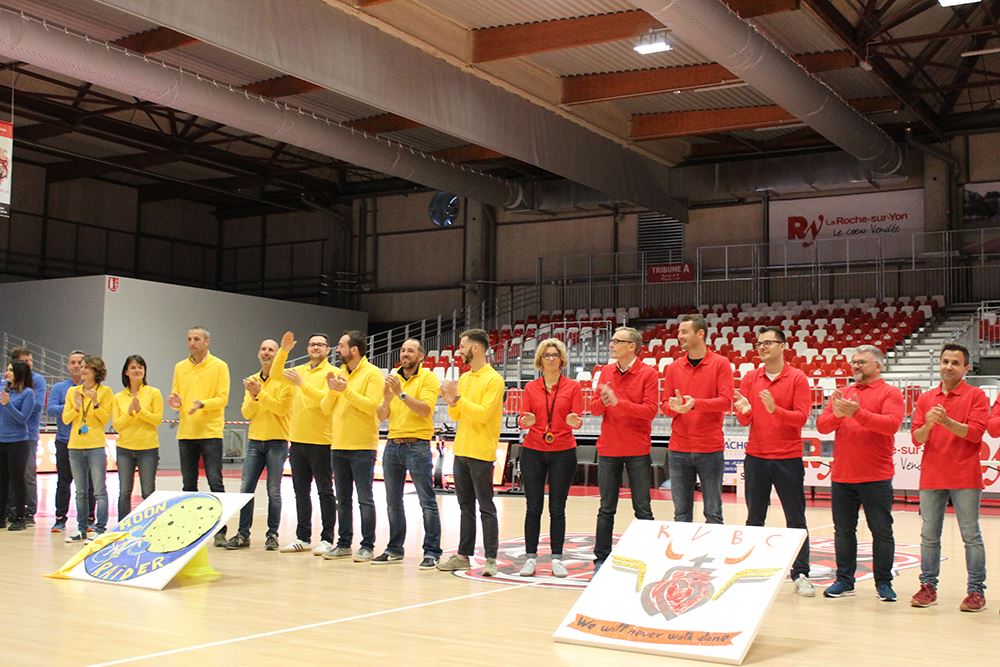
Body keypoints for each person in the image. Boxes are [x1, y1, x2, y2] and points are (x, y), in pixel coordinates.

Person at [816, 345, 903, 602]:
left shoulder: (890, 393)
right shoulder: (842, 393)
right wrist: (837, 415)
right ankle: (844, 580)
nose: (855, 365)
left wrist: (858, 413)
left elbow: (891, 425)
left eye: (862, 362)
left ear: (878, 365)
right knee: (843, 531)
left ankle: (883, 582)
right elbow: (822, 426)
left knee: (881, 531)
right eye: (854, 362)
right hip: (842, 476)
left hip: (876, 476)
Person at [733, 327, 814, 596]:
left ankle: (801, 573)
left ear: (783, 346)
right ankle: (750, 570)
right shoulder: (750, 378)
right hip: (756, 456)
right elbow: (744, 420)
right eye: (759, 343)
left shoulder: (797, 378)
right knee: (754, 518)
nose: (762, 347)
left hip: (787, 458)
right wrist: (745, 411)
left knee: (795, 518)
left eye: (768, 342)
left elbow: (800, 418)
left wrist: (774, 409)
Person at [910, 343, 989, 612]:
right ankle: (927, 587)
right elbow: (917, 438)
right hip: (932, 475)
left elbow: (975, 434)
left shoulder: (976, 395)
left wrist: (947, 422)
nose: (948, 366)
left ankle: (976, 591)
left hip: (965, 475)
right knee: (929, 536)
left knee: (971, 536)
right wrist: (930, 424)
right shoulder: (925, 398)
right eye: (945, 361)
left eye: (955, 363)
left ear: (966, 368)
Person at [436, 329, 505, 576]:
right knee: (465, 506)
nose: (459, 350)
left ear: (475, 348)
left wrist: (458, 399)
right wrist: (450, 400)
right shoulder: (464, 378)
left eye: (463, 346)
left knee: (486, 506)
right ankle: (463, 556)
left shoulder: (494, 379)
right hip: (462, 449)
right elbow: (456, 415)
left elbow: (484, 414)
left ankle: (490, 558)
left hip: (482, 451)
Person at [590, 326, 658, 571]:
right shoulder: (606, 371)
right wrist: (604, 401)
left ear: (632, 346)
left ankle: (647, 558)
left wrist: (619, 403)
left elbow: (650, 411)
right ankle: (601, 558)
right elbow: (594, 409)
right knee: (606, 508)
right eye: (612, 340)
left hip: (637, 449)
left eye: (617, 341)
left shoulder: (648, 374)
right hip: (609, 448)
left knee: (643, 508)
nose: (612, 344)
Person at [517, 338, 583, 579]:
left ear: (562, 359)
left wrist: (574, 422)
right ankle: (530, 557)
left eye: (555, 355)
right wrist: (525, 421)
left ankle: (556, 558)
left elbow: (577, 417)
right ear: (540, 360)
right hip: (533, 450)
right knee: (533, 507)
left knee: (557, 508)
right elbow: (523, 418)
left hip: (563, 451)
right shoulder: (531, 388)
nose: (552, 359)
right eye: (547, 355)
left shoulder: (573, 387)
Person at [374, 338, 442, 569]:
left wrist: (400, 393)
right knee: (392, 501)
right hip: (392, 444)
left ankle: (432, 551)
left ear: (421, 356)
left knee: (426, 501)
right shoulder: (393, 377)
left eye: (410, 351)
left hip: (417, 445)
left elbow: (425, 410)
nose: (405, 354)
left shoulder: (428, 378)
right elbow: (382, 416)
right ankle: (394, 548)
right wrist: (386, 399)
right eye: (403, 350)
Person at [662, 314, 734, 525]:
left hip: (709, 448)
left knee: (713, 513)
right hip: (678, 448)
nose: (679, 336)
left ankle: (713, 547)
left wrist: (695, 404)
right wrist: (674, 408)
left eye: (684, 332)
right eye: (679, 332)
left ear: (700, 334)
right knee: (681, 514)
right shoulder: (673, 367)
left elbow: (726, 402)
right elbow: (665, 405)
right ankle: (682, 547)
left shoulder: (720, 364)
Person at [271, 331, 337, 555]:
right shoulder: (298, 371)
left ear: (328, 349)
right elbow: (275, 374)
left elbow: (324, 400)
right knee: (300, 491)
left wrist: (301, 384)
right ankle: (303, 536)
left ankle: (327, 538)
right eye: (312, 344)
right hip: (298, 441)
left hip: (322, 441)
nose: (315, 348)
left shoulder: (333, 373)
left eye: (320, 344)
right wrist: (284, 351)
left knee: (325, 491)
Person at [224, 339, 293, 551]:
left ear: (277, 355)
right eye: (263, 349)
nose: (266, 353)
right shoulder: (252, 380)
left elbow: (281, 409)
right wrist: (254, 395)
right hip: (255, 442)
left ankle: (272, 535)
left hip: (277, 442)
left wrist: (260, 393)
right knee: (246, 489)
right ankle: (243, 534)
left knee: (274, 490)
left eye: (271, 349)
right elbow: (246, 412)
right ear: (258, 353)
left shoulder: (285, 380)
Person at [322, 330, 384, 562]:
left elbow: (371, 406)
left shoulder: (373, 373)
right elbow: (325, 408)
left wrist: (345, 390)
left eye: (341, 346)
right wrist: (332, 391)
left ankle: (367, 545)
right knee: (343, 499)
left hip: (362, 446)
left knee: (364, 499)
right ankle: (344, 543)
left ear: (354, 350)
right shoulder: (339, 374)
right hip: (338, 444)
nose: (337, 350)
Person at [168, 325, 230, 546]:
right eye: (189, 339)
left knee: (215, 481)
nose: (192, 343)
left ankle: (220, 530)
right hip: (186, 433)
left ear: (206, 342)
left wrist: (202, 403)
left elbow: (223, 399)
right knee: (188, 484)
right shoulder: (180, 367)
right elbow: (176, 398)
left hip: (210, 431)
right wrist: (176, 403)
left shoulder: (220, 366)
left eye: (196, 339)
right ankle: (190, 531)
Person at [61, 355, 113, 542]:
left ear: (96, 372)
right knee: (80, 491)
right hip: (75, 445)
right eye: (81, 366)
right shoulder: (73, 391)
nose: (81, 370)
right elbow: (66, 419)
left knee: (99, 490)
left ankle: (100, 529)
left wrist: (96, 403)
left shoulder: (105, 391)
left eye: (86, 367)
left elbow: (105, 419)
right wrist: (76, 407)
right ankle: (81, 529)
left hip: (95, 445)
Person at [47, 351, 95, 533]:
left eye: (80, 363)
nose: (76, 366)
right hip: (64, 441)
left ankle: (89, 519)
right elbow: (51, 409)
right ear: (68, 366)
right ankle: (60, 519)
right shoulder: (60, 388)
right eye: (72, 362)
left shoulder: (94, 388)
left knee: (89, 483)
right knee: (63, 481)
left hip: (87, 442)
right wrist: (71, 405)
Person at [111, 355, 163, 521]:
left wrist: (140, 411)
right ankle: (122, 527)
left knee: (148, 491)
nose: (137, 370)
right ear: (126, 372)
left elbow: (157, 420)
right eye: (133, 367)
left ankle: (150, 525)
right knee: (124, 492)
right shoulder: (118, 397)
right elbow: (117, 425)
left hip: (148, 448)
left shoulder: (154, 393)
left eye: (140, 367)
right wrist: (129, 413)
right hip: (124, 449)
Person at [7, 348, 45, 527]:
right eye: (25, 361)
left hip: (27, 434)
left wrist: (10, 407)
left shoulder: (36, 381)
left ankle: (29, 511)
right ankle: (9, 509)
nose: (29, 364)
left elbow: (35, 407)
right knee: (8, 474)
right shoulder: (6, 383)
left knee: (27, 473)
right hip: (6, 435)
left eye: (31, 360)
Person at [0, 360, 36, 531]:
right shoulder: (4, 390)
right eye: (7, 370)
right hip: (1, 440)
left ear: (20, 373)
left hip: (18, 442)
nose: (7, 373)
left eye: (11, 370)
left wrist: (8, 404)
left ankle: (19, 517)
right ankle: (1, 516)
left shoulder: (28, 393)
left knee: (17, 480)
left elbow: (22, 419)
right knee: (2, 480)